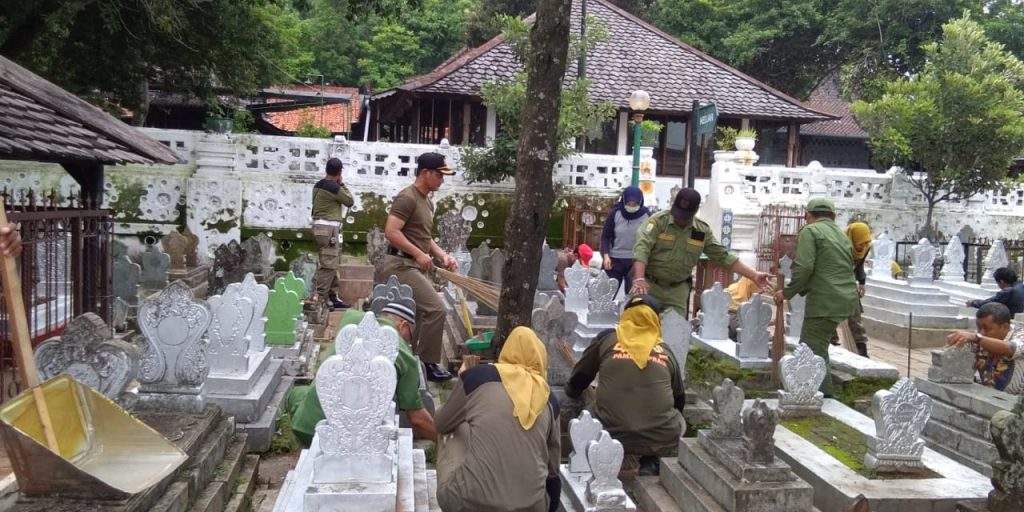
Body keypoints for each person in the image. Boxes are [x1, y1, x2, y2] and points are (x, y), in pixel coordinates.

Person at [434, 327, 561, 512]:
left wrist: (463, 377)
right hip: (533, 507)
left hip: (469, 502)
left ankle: (458, 488)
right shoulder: (549, 399)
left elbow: (441, 423)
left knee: (454, 428)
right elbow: (553, 471)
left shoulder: (477, 377)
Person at [287, 301, 438, 445]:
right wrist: (442, 439)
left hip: (306, 427)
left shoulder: (351, 318)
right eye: (410, 336)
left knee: (298, 393)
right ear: (403, 325)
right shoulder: (403, 353)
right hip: (353, 440)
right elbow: (417, 418)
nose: (408, 343)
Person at [566, 295, 684, 476]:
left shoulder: (607, 340)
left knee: (588, 411)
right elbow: (679, 399)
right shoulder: (665, 351)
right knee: (679, 421)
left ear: (625, 316)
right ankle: (651, 460)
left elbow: (579, 379)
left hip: (609, 432)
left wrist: (572, 393)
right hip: (660, 436)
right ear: (656, 320)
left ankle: (599, 456)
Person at [631, 188, 772, 315]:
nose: (680, 220)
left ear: (694, 212)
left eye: (684, 216)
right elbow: (642, 249)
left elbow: (723, 256)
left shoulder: (701, 231)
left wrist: (753, 275)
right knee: (641, 327)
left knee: (675, 332)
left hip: (677, 290)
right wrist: (639, 279)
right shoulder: (657, 223)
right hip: (649, 285)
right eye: (678, 214)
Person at [382, 152, 458, 382]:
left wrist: (442, 255)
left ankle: (413, 362)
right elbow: (391, 231)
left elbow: (425, 237)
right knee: (436, 309)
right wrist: (417, 253)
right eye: (439, 175)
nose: (442, 180)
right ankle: (429, 364)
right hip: (399, 265)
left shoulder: (426, 201)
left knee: (417, 317)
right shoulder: (408, 198)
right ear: (425, 173)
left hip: (412, 265)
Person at [773, 198, 859, 395]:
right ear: (833, 216)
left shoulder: (810, 231)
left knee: (809, 351)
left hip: (825, 301)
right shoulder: (841, 234)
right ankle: (823, 394)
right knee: (819, 348)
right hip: (845, 298)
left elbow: (805, 267)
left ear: (808, 216)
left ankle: (821, 396)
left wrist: (787, 292)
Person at [947, 302, 1024, 394]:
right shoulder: (979, 338)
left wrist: (976, 337)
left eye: (987, 328)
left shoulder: (1020, 335)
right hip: (988, 396)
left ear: (1005, 327)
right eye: (979, 328)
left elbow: (1011, 349)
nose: (981, 333)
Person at [311, 157, 354, 310]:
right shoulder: (334, 187)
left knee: (331, 262)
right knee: (328, 265)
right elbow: (349, 201)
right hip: (328, 229)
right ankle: (320, 300)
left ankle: (332, 296)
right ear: (339, 171)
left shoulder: (319, 184)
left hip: (321, 228)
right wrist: (341, 183)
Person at [600, 186, 650, 294]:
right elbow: (605, 236)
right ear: (624, 201)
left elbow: (650, 239)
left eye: (635, 204)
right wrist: (606, 255)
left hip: (635, 261)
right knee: (605, 294)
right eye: (629, 204)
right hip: (614, 260)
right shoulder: (615, 214)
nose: (631, 206)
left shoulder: (647, 216)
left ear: (640, 202)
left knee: (633, 296)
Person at [844, 221, 872, 357]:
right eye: (861, 242)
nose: (864, 246)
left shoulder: (866, 247)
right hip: (835, 283)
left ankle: (862, 352)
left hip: (850, 285)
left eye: (866, 242)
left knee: (855, 317)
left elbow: (859, 265)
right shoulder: (841, 245)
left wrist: (862, 282)